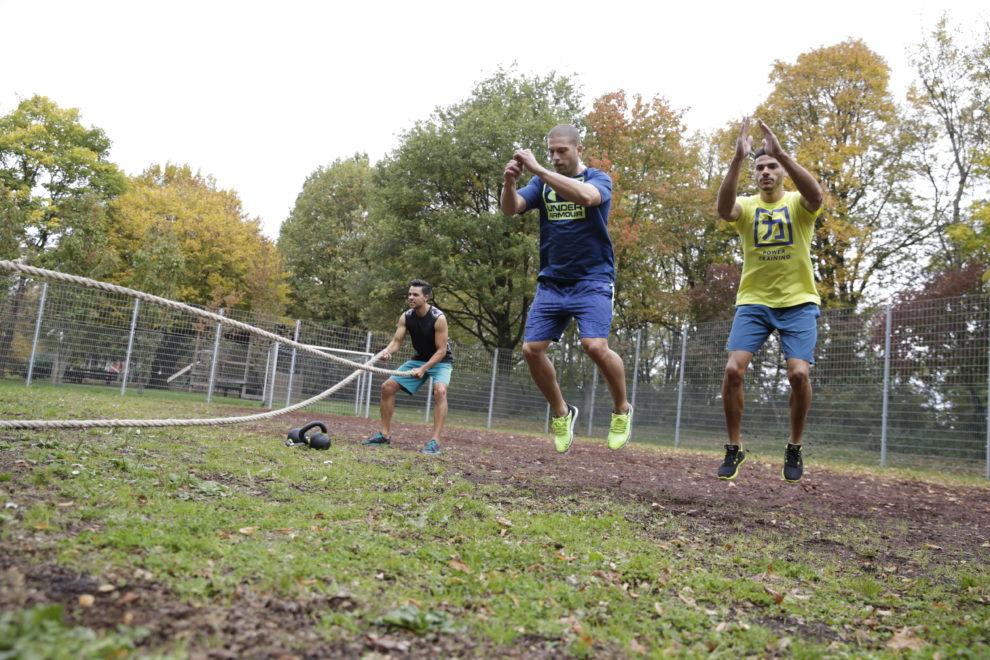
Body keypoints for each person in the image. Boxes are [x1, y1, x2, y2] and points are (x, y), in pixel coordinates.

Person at [500, 124, 632, 454]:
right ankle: (561, 413)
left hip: (593, 280)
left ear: (578, 149)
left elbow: (588, 198)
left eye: (562, 151)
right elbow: (510, 208)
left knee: (594, 346)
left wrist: (538, 169)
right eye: (551, 152)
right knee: (531, 349)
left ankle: (621, 409)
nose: (556, 157)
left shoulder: (598, 178)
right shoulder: (540, 184)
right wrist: (509, 182)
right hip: (552, 282)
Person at [715, 117, 824, 482]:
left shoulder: (797, 204)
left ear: (782, 173)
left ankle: (794, 445)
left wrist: (784, 154)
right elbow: (724, 210)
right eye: (760, 167)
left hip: (799, 302)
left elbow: (816, 196)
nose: (765, 171)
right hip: (754, 301)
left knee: (798, 374)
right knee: (733, 370)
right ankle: (734, 447)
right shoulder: (747, 207)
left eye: (771, 166)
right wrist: (737, 158)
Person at [362, 279, 453, 455]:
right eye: (410, 294)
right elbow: (396, 342)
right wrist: (387, 352)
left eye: (415, 295)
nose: (411, 297)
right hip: (419, 359)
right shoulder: (406, 316)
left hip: (441, 361)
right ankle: (384, 435)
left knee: (440, 391)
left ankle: (435, 442)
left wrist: (424, 368)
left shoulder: (438, 318)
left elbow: (441, 351)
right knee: (387, 387)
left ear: (426, 297)